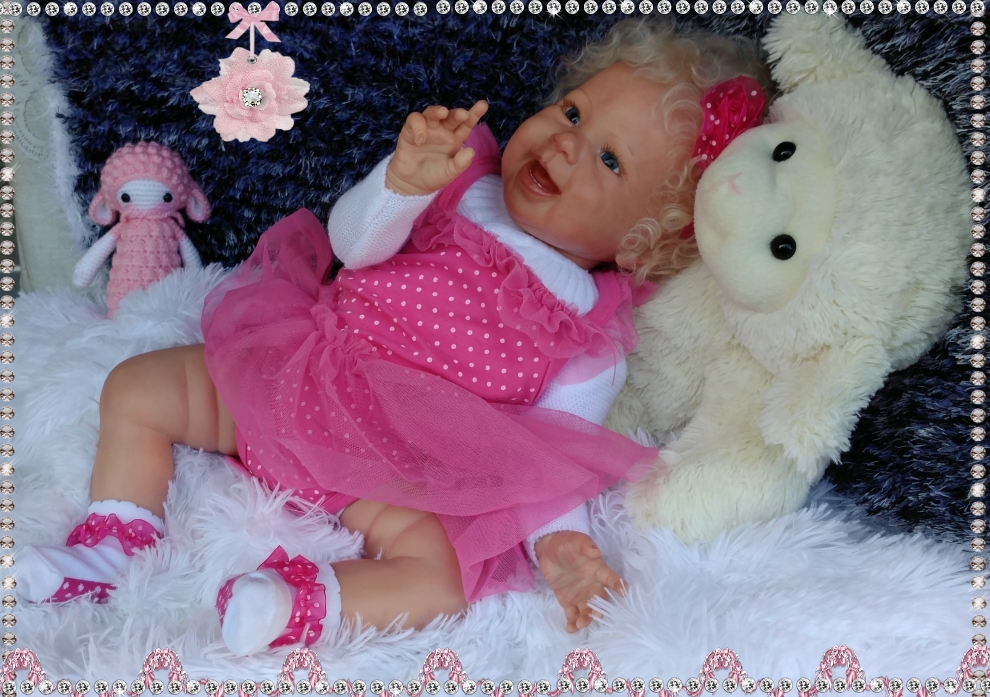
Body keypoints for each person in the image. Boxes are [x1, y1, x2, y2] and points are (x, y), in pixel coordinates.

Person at [17, 18, 771, 656]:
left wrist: (563, 547)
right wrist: (401, 185)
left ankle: (294, 606)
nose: (567, 144)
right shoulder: (460, 180)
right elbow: (353, 245)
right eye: (573, 113)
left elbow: (540, 465)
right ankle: (111, 544)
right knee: (137, 387)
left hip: (392, 472)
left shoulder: (586, 338)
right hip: (296, 378)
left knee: (443, 578)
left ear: (642, 244)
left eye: (610, 159)